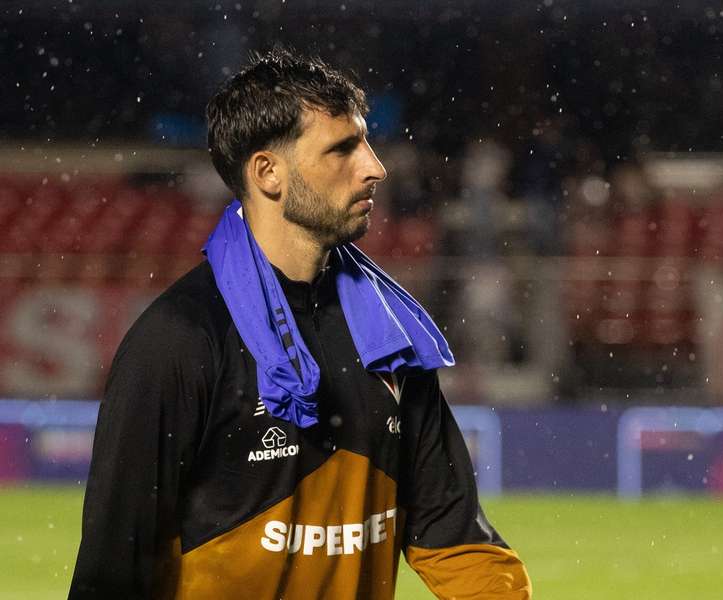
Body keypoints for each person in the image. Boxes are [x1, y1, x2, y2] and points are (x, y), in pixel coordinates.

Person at [69, 47, 531, 599]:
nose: (375, 167)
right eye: (343, 149)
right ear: (268, 172)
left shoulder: (390, 334)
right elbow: (114, 574)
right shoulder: (177, 341)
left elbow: (455, 540)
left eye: (365, 142)